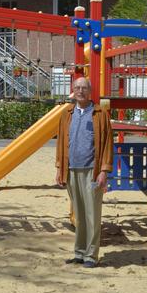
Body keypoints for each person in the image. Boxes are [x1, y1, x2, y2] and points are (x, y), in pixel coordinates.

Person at [55, 77, 113, 268]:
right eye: (77, 88)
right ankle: (79, 252)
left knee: (92, 215)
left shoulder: (99, 114)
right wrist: (59, 168)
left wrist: (104, 171)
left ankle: (91, 255)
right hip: (71, 170)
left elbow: (107, 145)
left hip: (92, 171)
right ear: (73, 91)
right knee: (79, 215)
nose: (80, 91)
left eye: (84, 88)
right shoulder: (67, 114)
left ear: (90, 91)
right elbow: (61, 143)